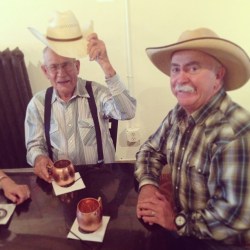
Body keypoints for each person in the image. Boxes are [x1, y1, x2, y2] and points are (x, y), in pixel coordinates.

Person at [134, 27, 250, 250]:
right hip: (185, 231)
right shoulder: (180, 112)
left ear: (218, 76)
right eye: (175, 69)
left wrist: (175, 221)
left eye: (193, 68)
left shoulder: (235, 133)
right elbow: (150, 150)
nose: (180, 79)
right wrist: (148, 186)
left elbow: (233, 218)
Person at [25, 11, 136, 183]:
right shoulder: (38, 104)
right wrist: (39, 158)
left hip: (102, 179)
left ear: (77, 66)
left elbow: (128, 112)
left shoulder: (97, 93)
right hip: (62, 181)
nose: (61, 74)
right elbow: (34, 144)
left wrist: (106, 64)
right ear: (45, 71)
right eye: (54, 67)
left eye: (67, 65)